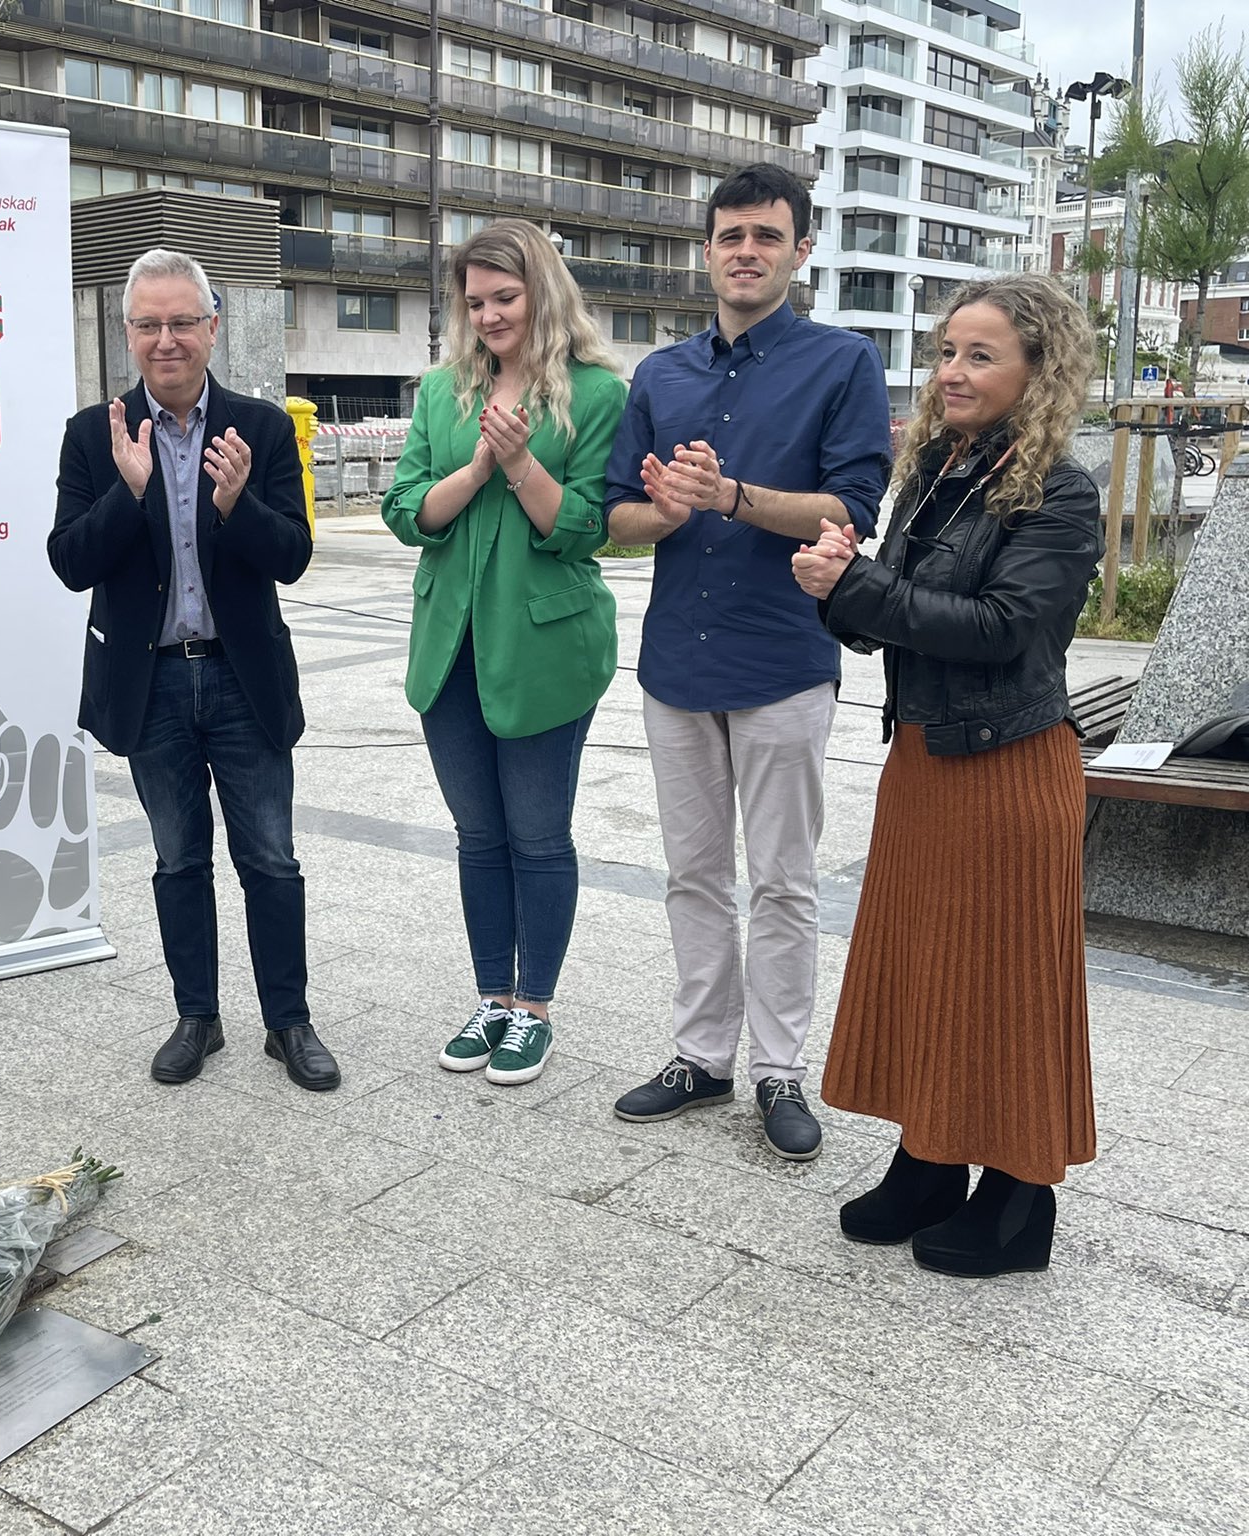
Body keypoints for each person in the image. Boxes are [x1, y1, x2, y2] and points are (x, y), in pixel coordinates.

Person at [794, 273, 1102, 1276]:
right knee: (925, 966)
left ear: (1034, 370)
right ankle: (927, 1161)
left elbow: (1005, 631)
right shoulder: (938, 463)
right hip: (925, 759)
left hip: (1009, 768)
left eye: (979, 355)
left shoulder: (1058, 485)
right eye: (944, 352)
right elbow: (887, 616)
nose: (953, 372)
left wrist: (861, 585)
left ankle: (1018, 1199)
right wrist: (833, 586)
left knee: (1003, 983)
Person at [603, 163, 892, 1160]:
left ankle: (776, 1069)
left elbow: (849, 511)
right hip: (674, 663)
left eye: (766, 236)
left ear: (799, 250)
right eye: (730, 235)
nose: (744, 252)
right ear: (708, 247)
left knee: (779, 881)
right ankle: (699, 1056)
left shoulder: (841, 363)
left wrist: (730, 498)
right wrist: (669, 507)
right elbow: (618, 516)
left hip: (781, 660)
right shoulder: (660, 376)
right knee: (690, 874)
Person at [47, 249, 333, 1091]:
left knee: (271, 859)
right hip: (152, 683)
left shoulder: (264, 427)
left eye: (181, 323)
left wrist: (238, 505)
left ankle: (290, 1023)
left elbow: (293, 559)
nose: (165, 340)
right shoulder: (92, 435)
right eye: (148, 325)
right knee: (178, 861)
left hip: (243, 679)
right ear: (127, 333)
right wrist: (129, 493)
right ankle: (196, 1017)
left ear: (214, 328)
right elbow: (69, 562)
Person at [382, 220, 625, 1086]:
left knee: (538, 834)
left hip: (545, 647)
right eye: (475, 300)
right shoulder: (442, 390)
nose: (488, 314)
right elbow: (405, 510)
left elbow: (587, 528)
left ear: (543, 293)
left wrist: (521, 465)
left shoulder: (597, 395)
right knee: (478, 835)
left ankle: (535, 1009)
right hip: (449, 643)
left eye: (505, 297)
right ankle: (491, 997)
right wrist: (482, 466)